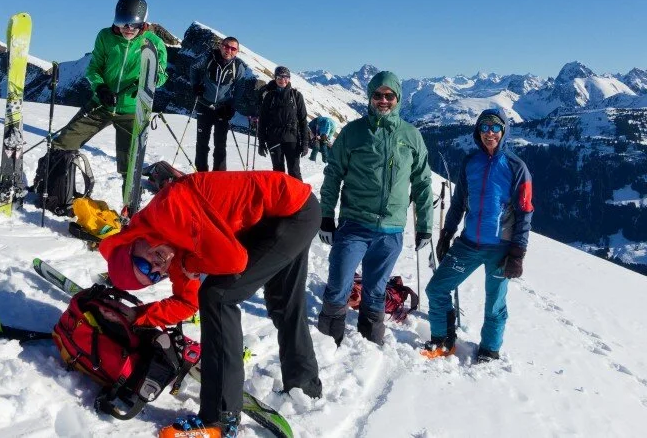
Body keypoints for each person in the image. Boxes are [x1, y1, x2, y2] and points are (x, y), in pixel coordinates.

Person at [99, 171, 323, 437]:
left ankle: (219, 418)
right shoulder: (170, 247)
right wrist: (138, 315)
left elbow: (234, 261)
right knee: (284, 301)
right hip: (291, 211)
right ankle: (304, 386)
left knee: (218, 296)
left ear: (131, 243)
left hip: (290, 211)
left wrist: (190, 264)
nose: (157, 267)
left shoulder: (167, 213)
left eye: (144, 263)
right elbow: (187, 301)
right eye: (152, 276)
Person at [316, 71, 433, 346]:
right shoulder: (353, 132)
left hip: (391, 229)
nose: (383, 100)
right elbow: (334, 174)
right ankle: (326, 344)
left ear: (398, 99)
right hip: (354, 223)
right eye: (377, 95)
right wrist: (325, 215)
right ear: (369, 97)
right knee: (339, 284)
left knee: (376, 290)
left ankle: (370, 344)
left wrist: (426, 226)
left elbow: (423, 183)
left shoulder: (411, 136)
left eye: (389, 95)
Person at [421, 107, 534, 363]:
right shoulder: (470, 162)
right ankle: (442, 338)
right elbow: (459, 201)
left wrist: (518, 252)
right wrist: (447, 232)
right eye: (484, 127)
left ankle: (489, 350)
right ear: (477, 132)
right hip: (469, 243)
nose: (489, 133)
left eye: (495, 127)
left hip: (501, 248)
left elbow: (525, 211)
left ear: (504, 131)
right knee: (437, 288)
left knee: (494, 304)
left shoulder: (517, 167)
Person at [52, 0, 168, 199]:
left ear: (143, 23)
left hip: (132, 111)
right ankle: (51, 189)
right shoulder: (105, 36)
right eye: (122, 23)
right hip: (101, 105)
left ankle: (129, 204)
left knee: (130, 163)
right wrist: (100, 88)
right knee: (63, 143)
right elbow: (94, 68)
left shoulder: (154, 43)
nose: (127, 29)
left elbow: (161, 76)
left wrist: (146, 85)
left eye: (133, 24)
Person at [190, 37, 250, 172]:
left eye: (233, 48)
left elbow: (240, 88)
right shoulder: (208, 58)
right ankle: (201, 173)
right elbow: (193, 67)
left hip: (222, 110)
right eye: (226, 46)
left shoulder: (238, 66)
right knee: (202, 143)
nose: (228, 50)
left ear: (237, 51)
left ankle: (219, 175)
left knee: (220, 144)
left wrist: (231, 107)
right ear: (220, 46)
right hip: (204, 105)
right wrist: (195, 86)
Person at [256, 66, 308, 181]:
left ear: (289, 78)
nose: (282, 80)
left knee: (294, 172)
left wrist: (305, 142)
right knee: (278, 173)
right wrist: (261, 142)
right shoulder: (269, 96)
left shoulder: (296, 96)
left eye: (285, 77)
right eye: (279, 77)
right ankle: (280, 198)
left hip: (292, 139)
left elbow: (303, 120)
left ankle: (299, 198)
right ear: (275, 78)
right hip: (274, 139)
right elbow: (263, 120)